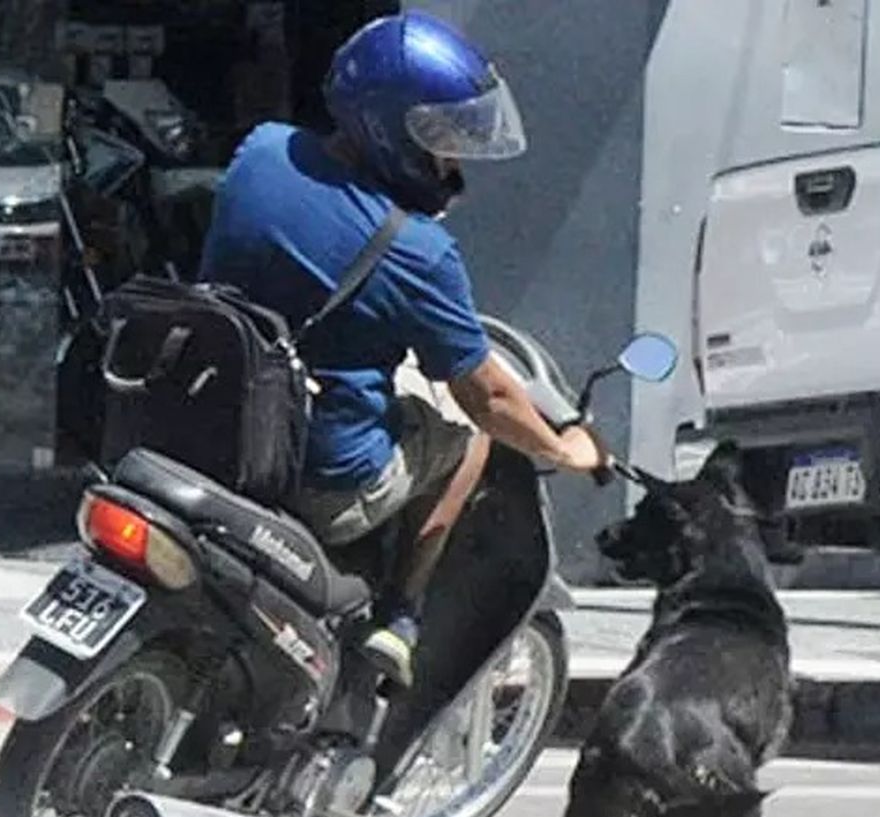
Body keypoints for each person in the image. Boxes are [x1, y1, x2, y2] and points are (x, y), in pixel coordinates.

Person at [198, 11, 606, 688]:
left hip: (205, 422)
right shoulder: (418, 253)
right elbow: (492, 396)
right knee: (463, 434)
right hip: (312, 476)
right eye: (443, 143)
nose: (451, 166)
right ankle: (399, 614)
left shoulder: (262, 151)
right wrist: (566, 448)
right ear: (395, 131)